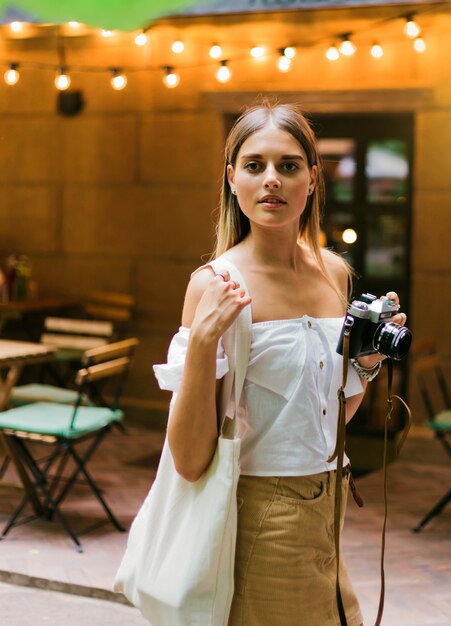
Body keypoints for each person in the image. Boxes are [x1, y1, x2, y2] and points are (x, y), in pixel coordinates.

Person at [154, 103, 407, 626]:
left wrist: (368, 359)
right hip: (261, 512)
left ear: (313, 179)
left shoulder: (333, 273)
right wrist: (202, 345)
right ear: (232, 178)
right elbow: (187, 458)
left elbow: (327, 417)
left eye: (288, 166)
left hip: (330, 500)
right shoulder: (215, 285)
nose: (271, 180)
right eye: (254, 165)